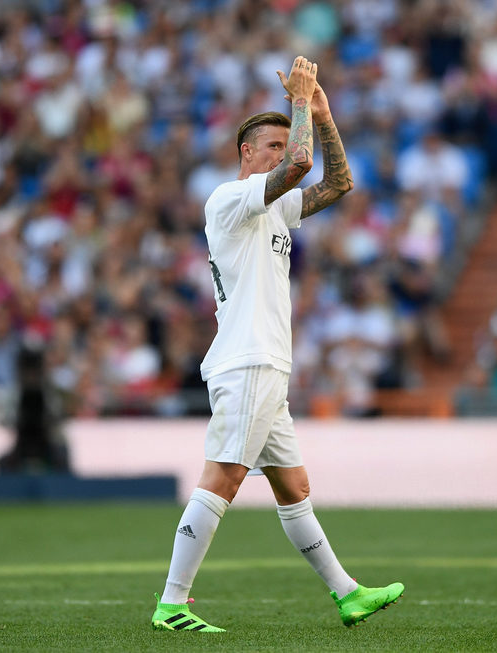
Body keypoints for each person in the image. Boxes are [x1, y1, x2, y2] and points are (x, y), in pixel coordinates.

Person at [151, 56, 404, 633]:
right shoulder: (230, 199)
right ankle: (172, 603)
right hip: (248, 360)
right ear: (246, 153)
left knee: (294, 487)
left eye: (283, 143)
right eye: (269, 145)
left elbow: (339, 181)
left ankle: (347, 593)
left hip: (266, 364)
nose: (281, 151)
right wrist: (300, 101)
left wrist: (322, 111)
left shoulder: (277, 209)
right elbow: (301, 162)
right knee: (223, 478)